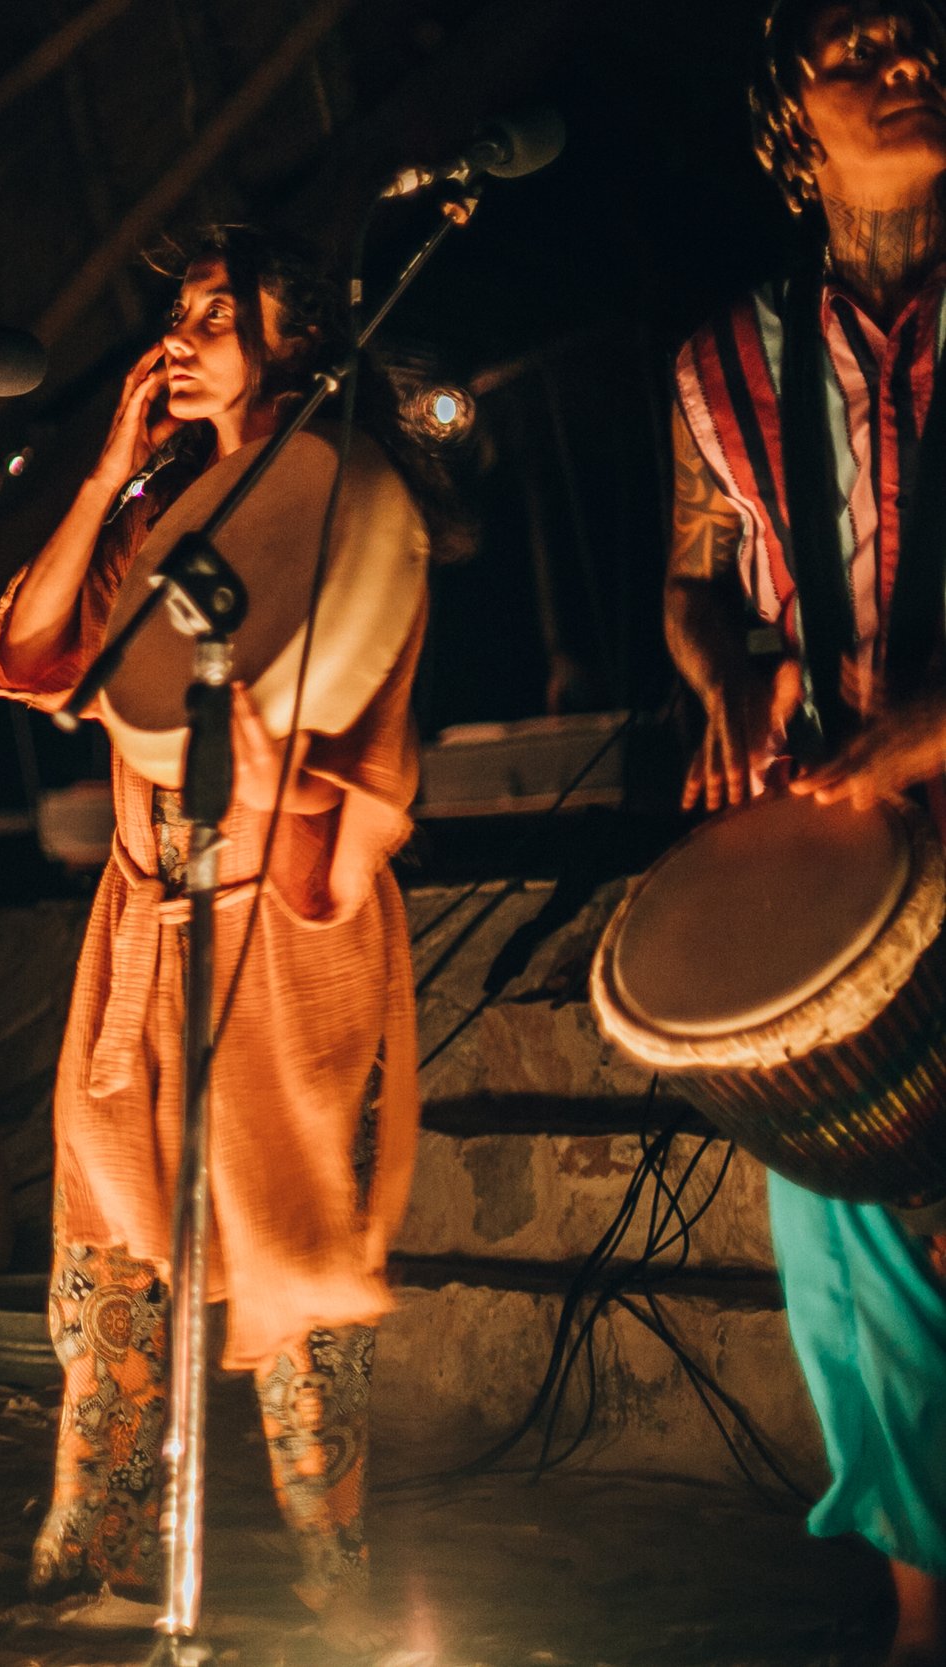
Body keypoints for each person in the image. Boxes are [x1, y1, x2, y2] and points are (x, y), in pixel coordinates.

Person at [0, 227, 442, 1647]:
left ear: (294, 336)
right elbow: (33, 659)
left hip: (283, 917)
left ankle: (334, 1576)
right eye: (175, 315)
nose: (178, 340)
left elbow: (365, 736)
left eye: (215, 316)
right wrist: (106, 476)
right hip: (145, 913)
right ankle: (93, 1554)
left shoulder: (343, 494)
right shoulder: (157, 514)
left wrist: (271, 789)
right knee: (106, 1243)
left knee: (293, 1243)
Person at [667, 6, 946, 1659]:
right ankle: (924, 1608)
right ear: (791, 114)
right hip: (839, 850)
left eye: (921, 32)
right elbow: (693, 581)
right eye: (858, 42)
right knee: (849, 1236)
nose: (907, 59)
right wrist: (732, 673)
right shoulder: (720, 363)